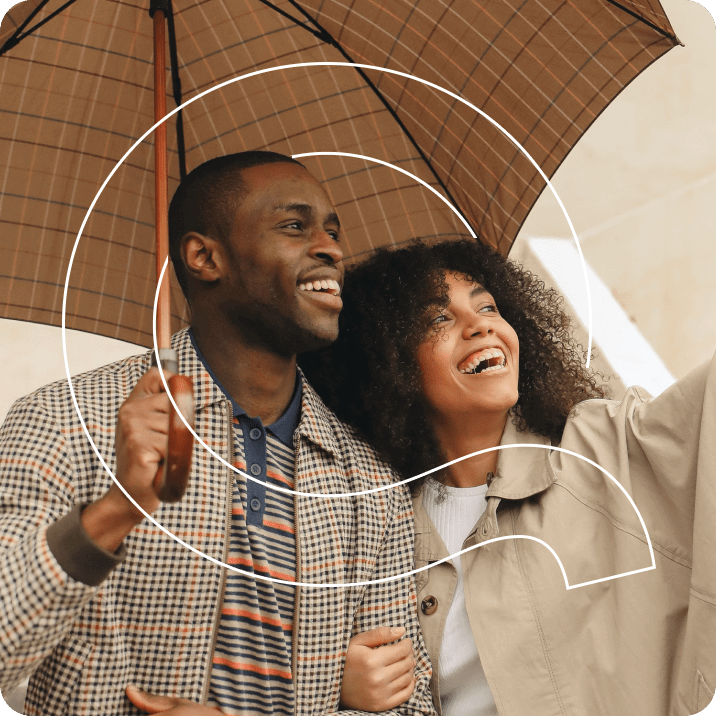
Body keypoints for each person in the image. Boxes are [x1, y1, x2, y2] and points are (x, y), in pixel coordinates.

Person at [0, 152, 436, 715]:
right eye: (294, 226)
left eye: (332, 229)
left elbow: (412, 706)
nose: (331, 247)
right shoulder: (63, 420)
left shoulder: (369, 483)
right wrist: (113, 511)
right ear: (205, 257)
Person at [302, 239, 716, 716]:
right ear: (388, 362)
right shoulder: (370, 524)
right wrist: (335, 685)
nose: (481, 325)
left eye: (488, 306)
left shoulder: (608, 446)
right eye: (439, 319)